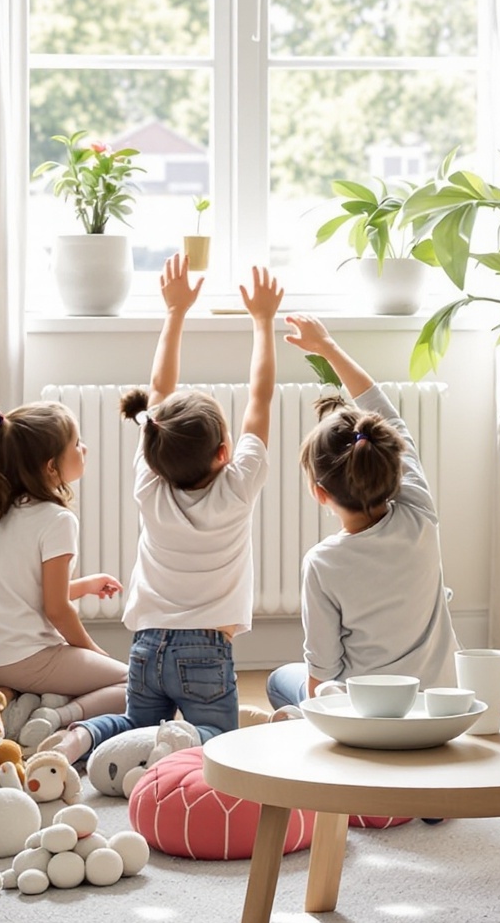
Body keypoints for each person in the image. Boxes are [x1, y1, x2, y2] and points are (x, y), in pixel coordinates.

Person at [114, 253, 282, 742]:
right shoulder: (237, 487)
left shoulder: (149, 482)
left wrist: (175, 312)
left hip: (145, 647)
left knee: (134, 735)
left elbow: (158, 391)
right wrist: (263, 322)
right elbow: (261, 398)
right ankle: (185, 745)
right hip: (206, 653)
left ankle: (89, 738)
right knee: (223, 747)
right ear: (224, 453)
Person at [266, 315, 455, 711]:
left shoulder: (322, 563)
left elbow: (322, 674)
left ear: (320, 493)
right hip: (437, 701)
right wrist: (328, 346)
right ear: (392, 464)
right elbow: (388, 414)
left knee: (279, 681)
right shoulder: (419, 512)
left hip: (366, 712)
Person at [0, 396, 127, 715]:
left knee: (77, 671)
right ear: (51, 466)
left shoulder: (3, 512)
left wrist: (87, 585)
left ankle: (5, 699)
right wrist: (94, 653)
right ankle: (55, 718)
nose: (85, 449)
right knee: (134, 686)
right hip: (23, 659)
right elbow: (56, 609)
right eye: (77, 443)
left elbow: (28, 592)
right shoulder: (58, 520)